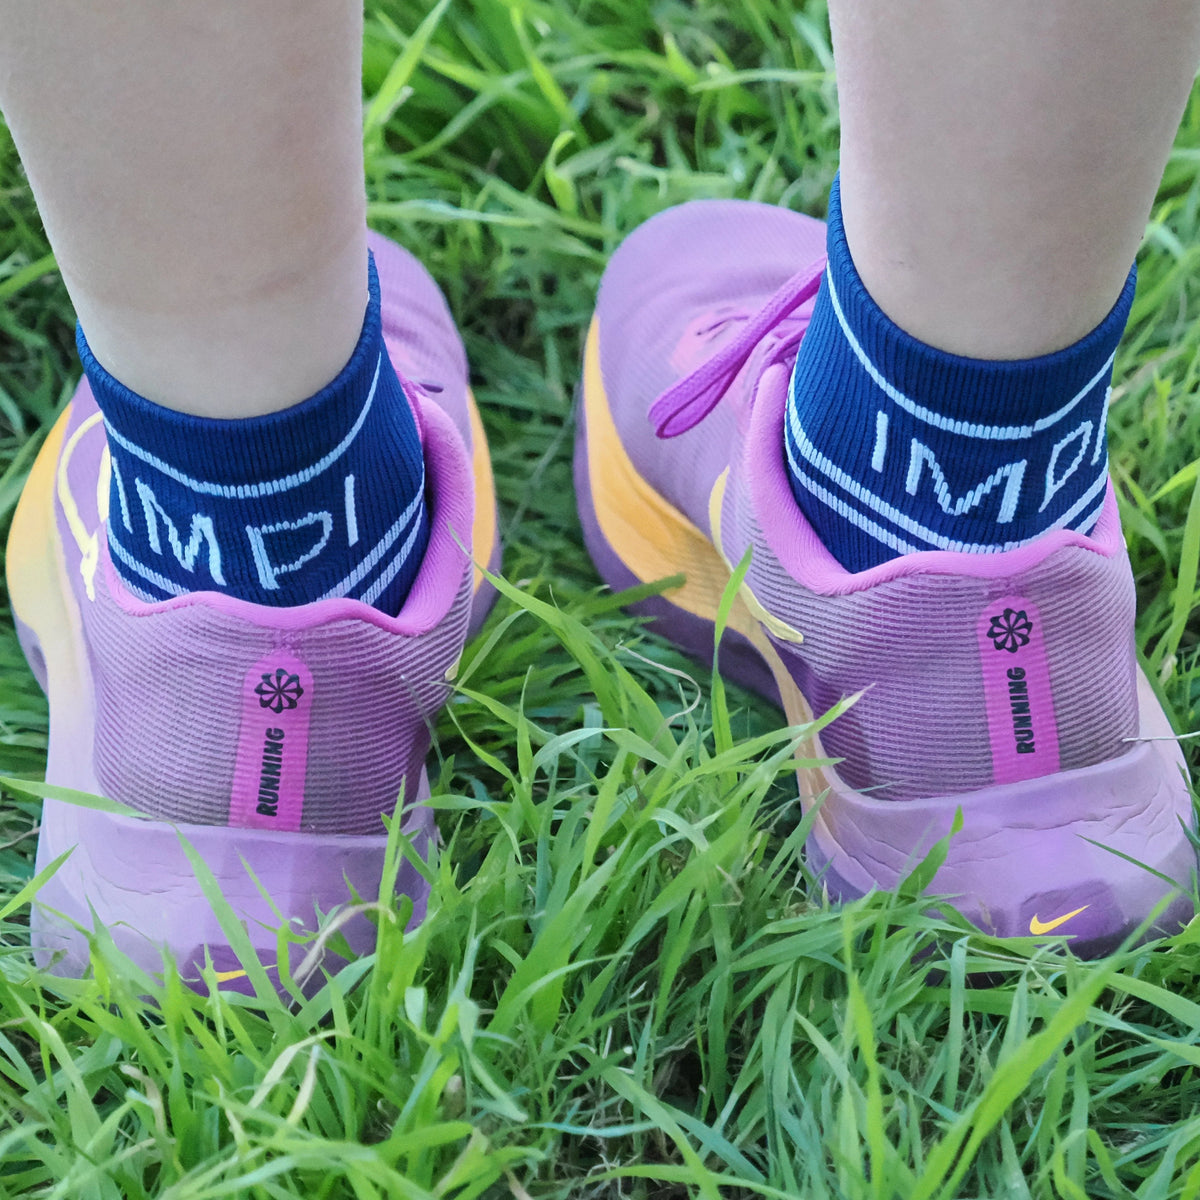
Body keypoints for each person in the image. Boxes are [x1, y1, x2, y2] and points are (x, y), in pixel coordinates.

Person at [2, 1, 1196, 985]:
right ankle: (970, 522)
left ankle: (232, 538)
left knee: (239, 461)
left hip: (210, 740)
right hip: (1056, 686)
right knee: (969, 453)